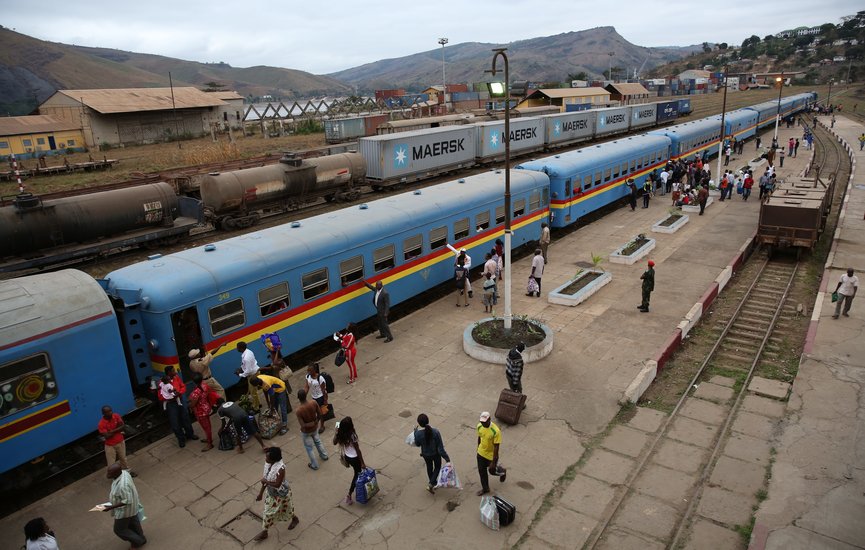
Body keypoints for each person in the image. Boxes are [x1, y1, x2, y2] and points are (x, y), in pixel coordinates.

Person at [254, 447, 299, 541]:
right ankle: (265, 531)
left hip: (281, 493)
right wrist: (261, 493)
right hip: (271, 493)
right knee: (272, 511)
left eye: (267, 457)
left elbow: (277, 484)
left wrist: (266, 481)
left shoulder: (280, 469)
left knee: (283, 508)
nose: (265, 458)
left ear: (273, 459)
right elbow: (265, 480)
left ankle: (294, 519)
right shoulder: (269, 464)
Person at [102, 463, 146, 550]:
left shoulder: (122, 485)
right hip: (133, 506)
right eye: (108, 472)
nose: (107, 475)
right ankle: (141, 538)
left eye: (110, 473)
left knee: (119, 530)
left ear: (117, 473)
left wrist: (110, 507)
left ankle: (138, 542)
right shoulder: (124, 473)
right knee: (133, 522)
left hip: (125, 510)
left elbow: (127, 501)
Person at [411, 413, 451, 493]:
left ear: (419, 423)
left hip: (426, 454)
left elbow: (418, 444)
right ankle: (431, 483)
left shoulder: (418, 434)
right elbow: (440, 449)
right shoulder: (435, 432)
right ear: (428, 420)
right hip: (435, 454)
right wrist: (447, 459)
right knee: (437, 467)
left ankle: (433, 482)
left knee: (429, 467)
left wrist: (415, 431)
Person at [160, 365, 198, 447]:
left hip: (180, 400)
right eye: (173, 371)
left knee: (186, 418)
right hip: (171, 403)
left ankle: (190, 434)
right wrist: (169, 397)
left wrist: (180, 392)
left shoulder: (176, 377)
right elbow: (160, 396)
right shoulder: (162, 383)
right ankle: (181, 439)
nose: (175, 372)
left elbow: (183, 386)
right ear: (169, 373)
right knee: (175, 423)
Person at [333, 417, 365, 505]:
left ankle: (351, 494)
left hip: (347, 456)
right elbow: (358, 450)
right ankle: (349, 494)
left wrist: (337, 431)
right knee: (357, 474)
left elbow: (334, 442)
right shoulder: (352, 435)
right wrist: (362, 462)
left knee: (357, 473)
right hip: (355, 458)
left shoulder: (340, 431)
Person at [295, 389, 329, 470]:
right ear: (306, 396)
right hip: (315, 428)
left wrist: (310, 424)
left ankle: (315, 465)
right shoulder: (313, 403)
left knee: (309, 448)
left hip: (306, 432)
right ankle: (324, 456)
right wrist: (316, 422)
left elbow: (303, 425)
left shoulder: (299, 410)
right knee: (318, 442)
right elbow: (320, 414)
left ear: (298, 398)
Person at [476, 412, 505, 496]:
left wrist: (494, 461)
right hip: (481, 453)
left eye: (485, 422)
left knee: (492, 471)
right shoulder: (479, 426)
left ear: (489, 419)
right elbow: (479, 437)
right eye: (482, 422)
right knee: (482, 472)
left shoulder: (495, 431)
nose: (483, 423)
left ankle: (503, 471)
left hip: (490, 456)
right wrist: (478, 448)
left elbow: (496, 447)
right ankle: (485, 488)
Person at [98, 405, 133, 473]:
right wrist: (118, 429)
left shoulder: (116, 416)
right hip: (110, 445)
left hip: (120, 441)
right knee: (111, 463)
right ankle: (115, 476)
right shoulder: (101, 424)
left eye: (110, 411)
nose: (110, 413)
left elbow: (123, 426)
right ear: (103, 413)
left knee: (123, 459)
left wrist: (112, 431)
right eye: (107, 412)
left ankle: (127, 472)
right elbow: (107, 436)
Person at [189, 375, 218, 451]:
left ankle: (209, 443)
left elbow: (193, 404)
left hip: (200, 412)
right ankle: (208, 438)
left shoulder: (196, 392)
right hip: (206, 408)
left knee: (206, 428)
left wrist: (189, 406)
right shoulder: (205, 386)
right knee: (208, 426)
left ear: (194, 382)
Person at [235, 341, 261, 410]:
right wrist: (241, 368)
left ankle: (256, 407)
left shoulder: (246, 357)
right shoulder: (248, 351)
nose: (236, 349)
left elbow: (248, 371)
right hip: (255, 372)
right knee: (253, 391)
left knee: (253, 392)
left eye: (237, 347)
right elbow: (247, 365)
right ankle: (258, 403)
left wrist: (240, 374)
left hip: (252, 375)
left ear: (241, 348)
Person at [304, 363, 329, 434]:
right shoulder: (307, 377)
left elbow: (324, 390)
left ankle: (322, 426)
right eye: (308, 370)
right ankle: (317, 421)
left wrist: (325, 400)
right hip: (314, 397)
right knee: (316, 412)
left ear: (314, 370)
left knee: (321, 413)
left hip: (320, 397)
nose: (308, 372)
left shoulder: (320, 378)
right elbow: (307, 387)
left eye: (310, 371)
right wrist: (303, 395)